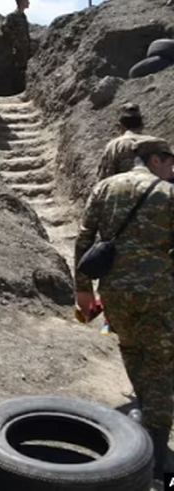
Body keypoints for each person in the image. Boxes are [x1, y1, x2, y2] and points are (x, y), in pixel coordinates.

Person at [74, 136, 174, 477]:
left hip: (115, 293)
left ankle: (145, 421)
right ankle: (158, 460)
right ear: (155, 160)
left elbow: (85, 240)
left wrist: (83, 291)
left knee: (133, 351)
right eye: (170, 162)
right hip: (159, 294)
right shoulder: (167, 192)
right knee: (161, 366)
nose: (172, 169)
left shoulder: (104, 188)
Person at [96, 103, 146, 181]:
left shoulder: (115, 146)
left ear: (120, 126)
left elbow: (105, 179)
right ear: (142, 125)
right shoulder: (160, 144)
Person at [2, 0, 31, 85]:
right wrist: (14, 39)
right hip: (17, 48)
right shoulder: (12, 16)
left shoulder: (23, 16)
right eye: (26, 0)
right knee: (17, 69)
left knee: (24, 68)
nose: (28, 2)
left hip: (25, 47)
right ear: (21, 2)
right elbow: (4, 27)